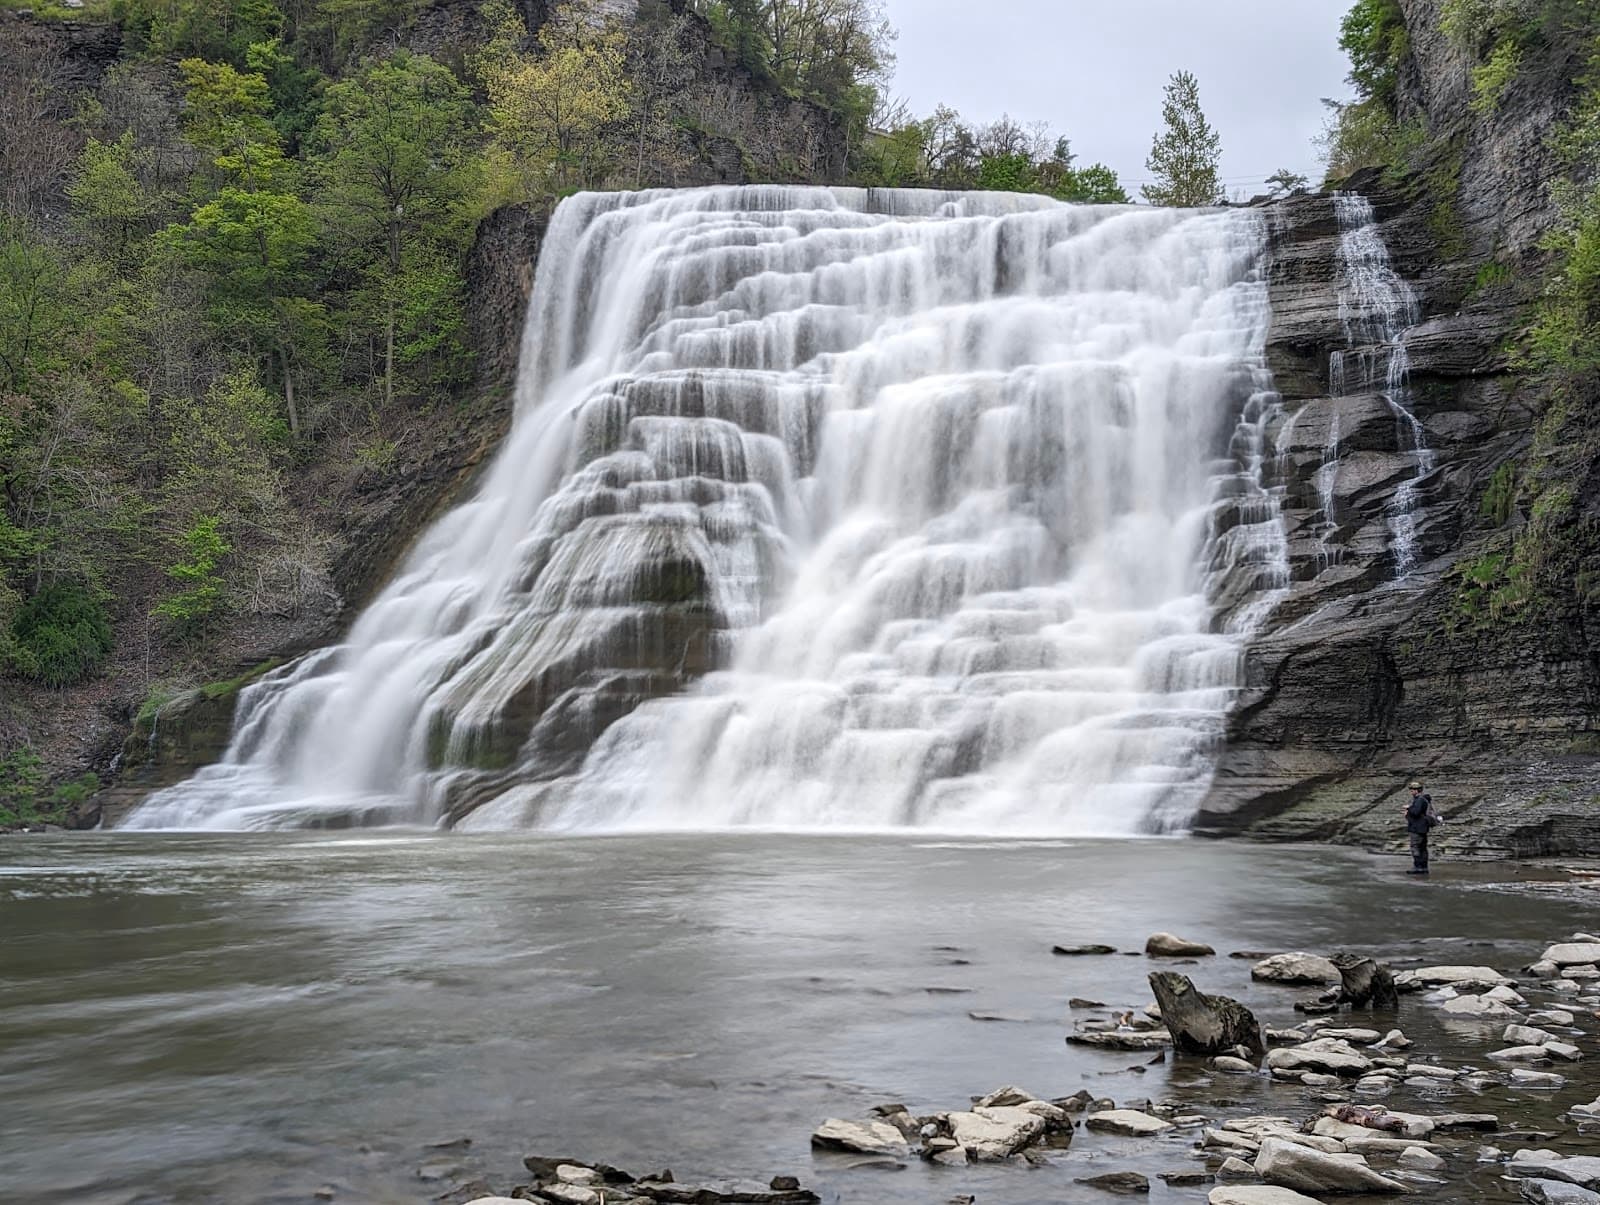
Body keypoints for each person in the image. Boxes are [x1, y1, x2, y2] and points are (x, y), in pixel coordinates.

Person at [1404, 780, 1434, 875]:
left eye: (1412, 790)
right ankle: (1424, 867)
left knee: (1415, 847)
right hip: (1423, 828)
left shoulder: (1419, 800)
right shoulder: (1424, 799)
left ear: (1417, 790)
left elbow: (1416, 812)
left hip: (1417, 828)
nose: (1411, 792)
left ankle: (1417, 867)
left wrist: (1408, 809)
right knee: (1423, 848)